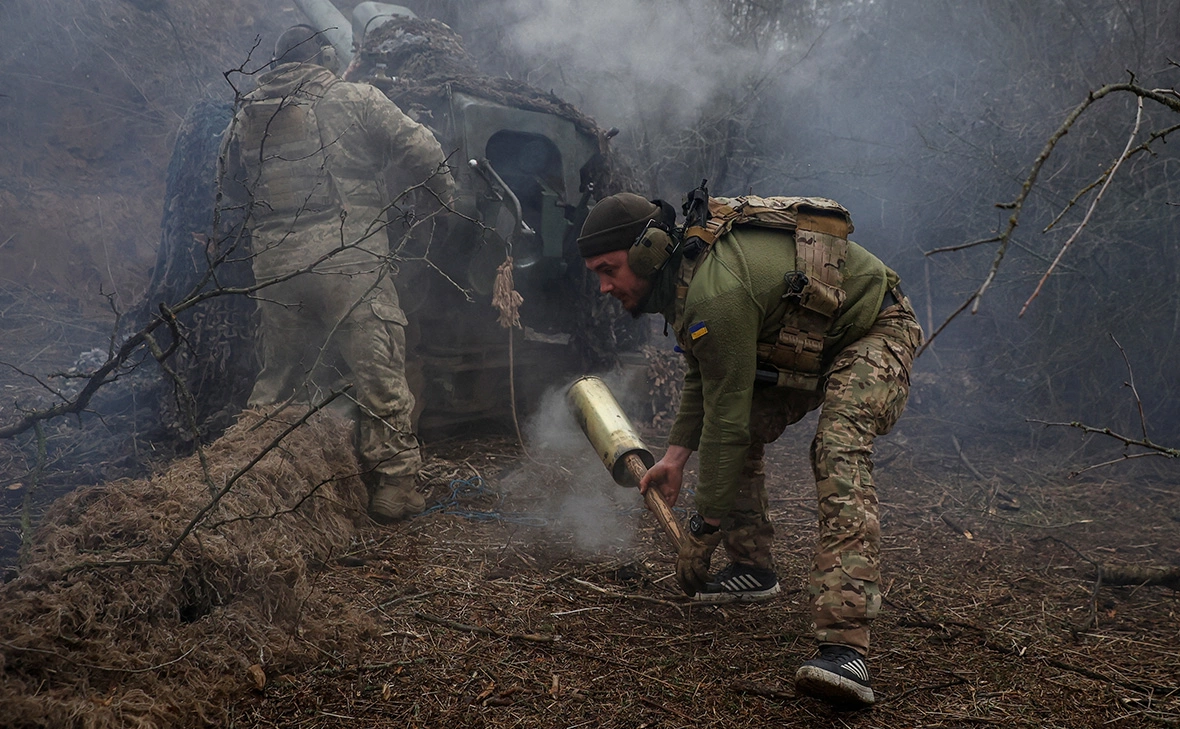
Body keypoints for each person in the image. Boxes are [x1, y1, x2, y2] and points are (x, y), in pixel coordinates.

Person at [577, 190, 922, 707]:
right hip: (810, 344)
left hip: (876, 329)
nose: (604, 286)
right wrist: (674, 457)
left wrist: (703, 529)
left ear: (648, 251)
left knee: (837, 449)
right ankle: (753, 568)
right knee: (743, 428)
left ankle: (845, 647)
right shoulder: (686, 280)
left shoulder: (714, 291)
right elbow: (705, 372)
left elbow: (727, 420)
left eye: (609, 269)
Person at [218, 25, 456, 523]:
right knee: (378, 374)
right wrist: (440, 200)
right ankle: (394, 488)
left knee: (279, 378)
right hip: (350, 265)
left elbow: (230, 192)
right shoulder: (354, 98)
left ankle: (243, 480)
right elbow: (426, 152)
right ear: (325, 57)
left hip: (277, 267)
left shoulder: (245, 117)